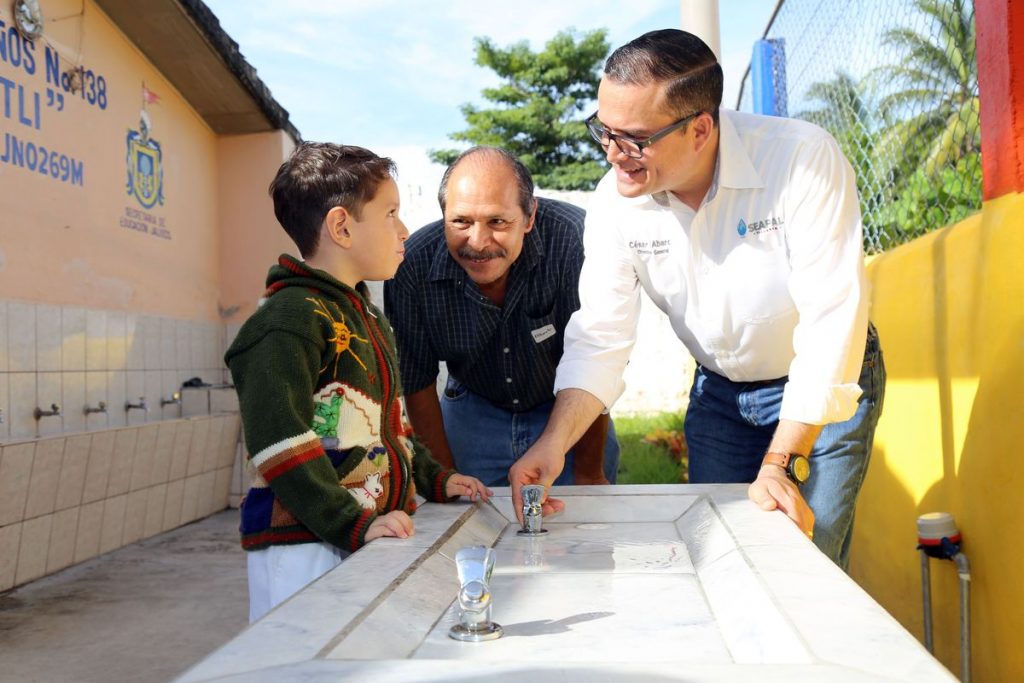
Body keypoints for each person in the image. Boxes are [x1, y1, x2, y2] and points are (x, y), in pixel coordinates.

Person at [509, 29, 885, 570]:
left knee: (805, 563)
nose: (613, 154)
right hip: (719, 395)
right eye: (604, 131)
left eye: (634, 138)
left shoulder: (801, 159)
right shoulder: (614, 202)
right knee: (720, 558)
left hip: (818, 387)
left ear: (701, 129)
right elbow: (600, 339)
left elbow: (831, 325)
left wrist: (781, 462)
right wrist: (554, 444)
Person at [225, 142, 491, 622]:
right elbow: (280, 443)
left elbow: (388, 430)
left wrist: (437, 478)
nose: (404, 230)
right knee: (303, 653)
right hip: (304, 545)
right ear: (342, 227)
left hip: (359, 530)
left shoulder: (365, 316)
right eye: (390, 214)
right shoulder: (288, 320)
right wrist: (350, 523)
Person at [383, 146, 620, 489]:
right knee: (467, 519)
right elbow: (417, 381)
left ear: (530, 216)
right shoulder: (412, 267)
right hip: (472, 408)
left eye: (497, 222)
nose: (478, 242)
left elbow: (596, 362)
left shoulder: (577, 242)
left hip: (567, 407)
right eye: (461, 221)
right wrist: (444, 479)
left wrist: (588, 473)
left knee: (581, 517)